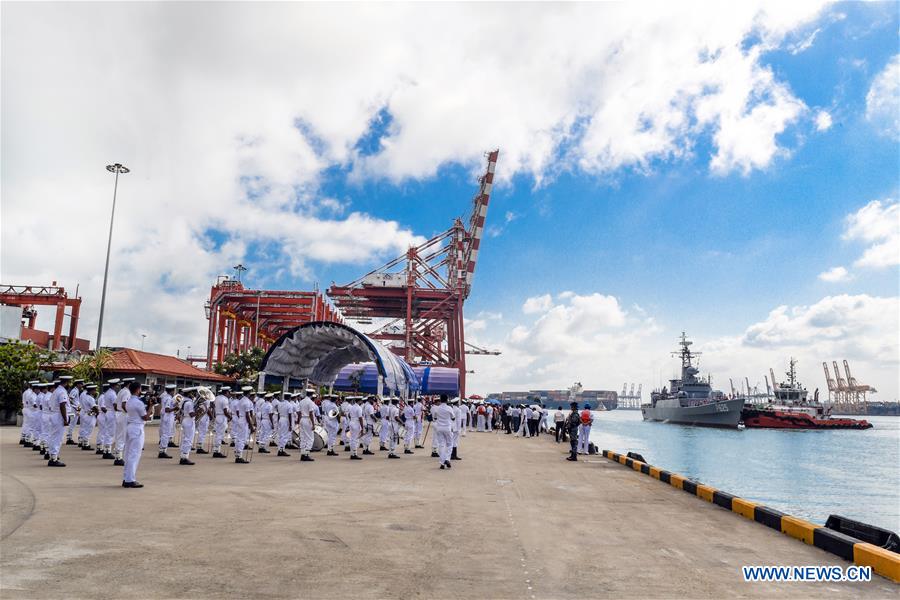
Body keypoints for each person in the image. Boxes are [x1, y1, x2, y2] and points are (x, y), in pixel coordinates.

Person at [123, 381, 152, 488]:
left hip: (130, 426)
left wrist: (148, 406)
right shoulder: (138, 402)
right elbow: (145, 417)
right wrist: (151, 406)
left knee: (128, 454)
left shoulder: (129, 401)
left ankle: (126, 478)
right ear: (138, 389)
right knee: (134, 454)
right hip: (137, 427)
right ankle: (130, 479)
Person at [47, 376, 72, 466]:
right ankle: (53, 459)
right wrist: (65, 419)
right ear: (66, 382)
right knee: (57, 438)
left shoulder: (57, 390)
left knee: (54, 436)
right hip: (59, 416)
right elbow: (62, 405)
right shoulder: (62, 392)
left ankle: (53, 456)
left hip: (54, 415)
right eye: (69, 382)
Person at [114, 377, 134, 466]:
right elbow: (124, 404)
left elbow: (115, 404)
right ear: (129, 384)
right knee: (122, 436)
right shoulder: (126, 392)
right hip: (123, 414)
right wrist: (129, 412)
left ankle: (118, 455)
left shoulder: (121, 391)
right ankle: (119, 457)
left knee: (119, 435)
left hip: (119, 414)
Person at [431, 395, 455, 470]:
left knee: (441, 445)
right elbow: (453, 418)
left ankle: (442, 463)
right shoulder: (449, 408)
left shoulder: (437, 408)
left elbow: (434, 417)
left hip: (439, 428)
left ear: (440, 400)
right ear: (447, 400)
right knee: (450, 444)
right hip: (447, 428)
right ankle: (447, 459)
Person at [297, 390, 318, 462]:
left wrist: (299, 421)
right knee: (310, 438)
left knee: (303, 437)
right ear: (311, 395)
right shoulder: (310, 402)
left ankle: (303, 454)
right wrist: (313, 423)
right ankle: (306, 455)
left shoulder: (301, 401)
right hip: (308, 420)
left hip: (302, 419)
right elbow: (311, 413)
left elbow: (299, 413)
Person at [158, 384, 177, 459]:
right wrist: (175, 408)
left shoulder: (165, 397)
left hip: (166, 416)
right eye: (173, 390)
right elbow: (167, 409)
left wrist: (174, 405)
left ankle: (162, 450)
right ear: (172, 391)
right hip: (168, 416)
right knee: (166, 434)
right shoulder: (169, 398)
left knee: (165, 433)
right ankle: (162, 451)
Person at [178, 388, 197, 465]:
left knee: (185, 438)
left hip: (185, 419)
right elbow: (191, 414)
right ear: (189, 393)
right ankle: (185, 457)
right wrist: (198, 411)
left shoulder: (183, 400)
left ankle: (183, 456)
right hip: (189, 420)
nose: (193, 395)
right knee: (188, 439)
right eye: (192, 393)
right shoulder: (189, 402)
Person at [212, 386, 231, 458]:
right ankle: (217, 451)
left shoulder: (217, 398)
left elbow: (213, 406)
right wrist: (230, 417)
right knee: (220, 435)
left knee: (218, 434)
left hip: (217, 416)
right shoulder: (225, 399)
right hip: (222, 417)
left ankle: (216, 450)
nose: (230, 394)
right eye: (229, 392)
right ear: (226, 392)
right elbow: (225, 411)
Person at [78, 384, 98, 450]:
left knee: (85, 429)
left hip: (86, 414)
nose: (95, 391)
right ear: (91, 391)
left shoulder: (85, 396)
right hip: (90, 415)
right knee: (89, 429)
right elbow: (94, 407)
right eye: (94, 390)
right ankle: (86, 444)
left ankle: (84, 443)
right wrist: (98, 414)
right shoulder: (90, 398)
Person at [66, 379, 84, 445]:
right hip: (73, 409)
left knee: (73, 423)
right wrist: (75, 407)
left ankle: (69, 437)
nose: (82, 385)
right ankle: (69, 438)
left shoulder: (76, 390)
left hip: (74, 408)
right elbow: (70, 399)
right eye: (81, 384)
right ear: (77, 384)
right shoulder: (74, 390)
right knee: (72, 423)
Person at [276, 391, 293, 456]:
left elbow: (278, 413)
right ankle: (281, 450)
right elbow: (290, 415)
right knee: (285, 435)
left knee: (281, 435)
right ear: (289, 398)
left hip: (280, 419)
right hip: (286, 419)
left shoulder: (280, 404)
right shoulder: (289, 405)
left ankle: (280, 449)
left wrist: (278, 421)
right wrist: (290, 425)